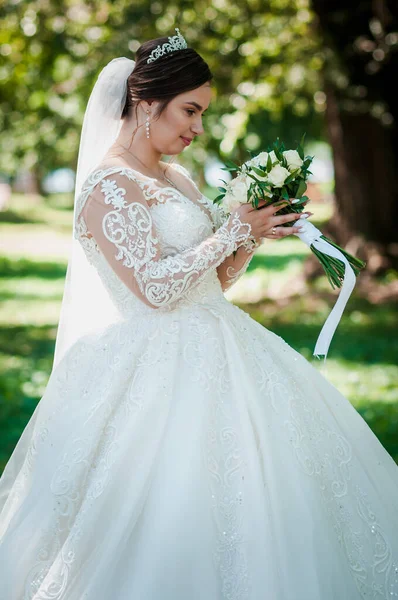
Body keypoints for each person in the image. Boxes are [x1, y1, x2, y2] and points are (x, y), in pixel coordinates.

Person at [1, 28, 398, 600]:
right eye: (190, 110)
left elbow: (215, 280)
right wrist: (235, 228)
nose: (197, 128)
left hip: (226, 343)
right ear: (146, 102)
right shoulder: (107, 189)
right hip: (152, 365)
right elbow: (152, 290)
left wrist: (253, 230)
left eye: (203, 113)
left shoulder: (177, 179)